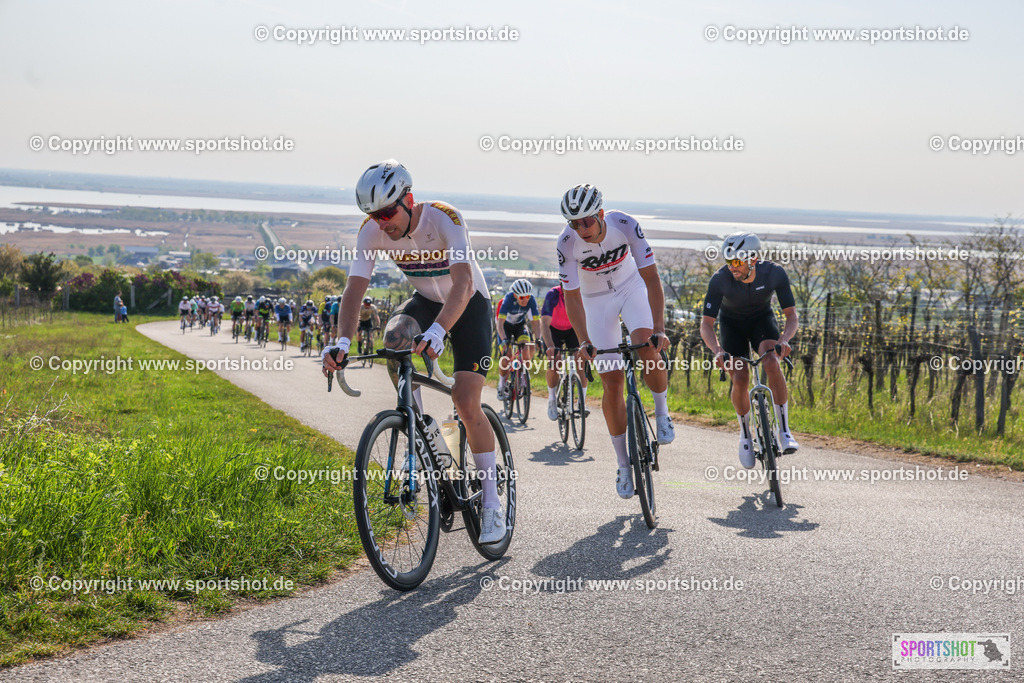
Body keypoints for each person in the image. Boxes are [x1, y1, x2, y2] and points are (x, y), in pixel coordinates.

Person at [322, 159, 505, 545]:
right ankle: (417, 426)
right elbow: (355, 289)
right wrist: (341, 343)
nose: (381, 222)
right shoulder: (371, 230)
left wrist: (440, 331)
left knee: (465, 401)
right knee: (394, 337)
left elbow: (463, 282)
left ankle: (491, 504)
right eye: (373, 214)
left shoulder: (443, 219)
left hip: (468, 303)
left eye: (388, 211)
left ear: (409, 199)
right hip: (424, 300)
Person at [557, 183, 675, 500]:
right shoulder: (566, 244)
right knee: (612, 382)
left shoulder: (625, 225)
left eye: (586, 221)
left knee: (647, 345)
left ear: (600, 213)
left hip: (631, 288)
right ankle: (623, 464)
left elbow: (651, 277)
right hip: (596, 303)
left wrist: (659, 327)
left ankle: (662, 414)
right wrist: (583, 341)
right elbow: (571, 299)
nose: (581, 229)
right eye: (573, 222)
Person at [700, 232, 800, 468]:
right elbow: (706, 324)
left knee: (772, 362)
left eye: (736, 261)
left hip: (761, 322)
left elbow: (792, 316)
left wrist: (784, 339)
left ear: (753, 259)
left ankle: (784, 431)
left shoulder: (773, 273)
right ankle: (745, 435)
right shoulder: (720, 280)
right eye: (728, 261)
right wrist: (717, 350)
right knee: (741, 377)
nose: (732, 267)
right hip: (731, 326)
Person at [540, 284, 588, 421]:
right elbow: (544, 323)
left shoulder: (582, 294)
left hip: (572, 329)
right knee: (555, 362)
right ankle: (552, 400)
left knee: (581, 361)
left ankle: (581, 401)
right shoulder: (553, 295)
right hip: (553, 330)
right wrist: (550, 346)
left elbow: (586, 319)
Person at [495, 279, 540, 400]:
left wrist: (539, 339)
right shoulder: (507, 300)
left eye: (527, 296)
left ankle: (524, 375)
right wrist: (504, 340)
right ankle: (501, 384)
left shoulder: (531, 301)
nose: (525, 299)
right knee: (507, 355)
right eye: (521, 298)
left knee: (528, 347)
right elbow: (499, 325)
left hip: (519, 325)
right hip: (505, 327)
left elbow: (536, 322)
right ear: (515, 295)